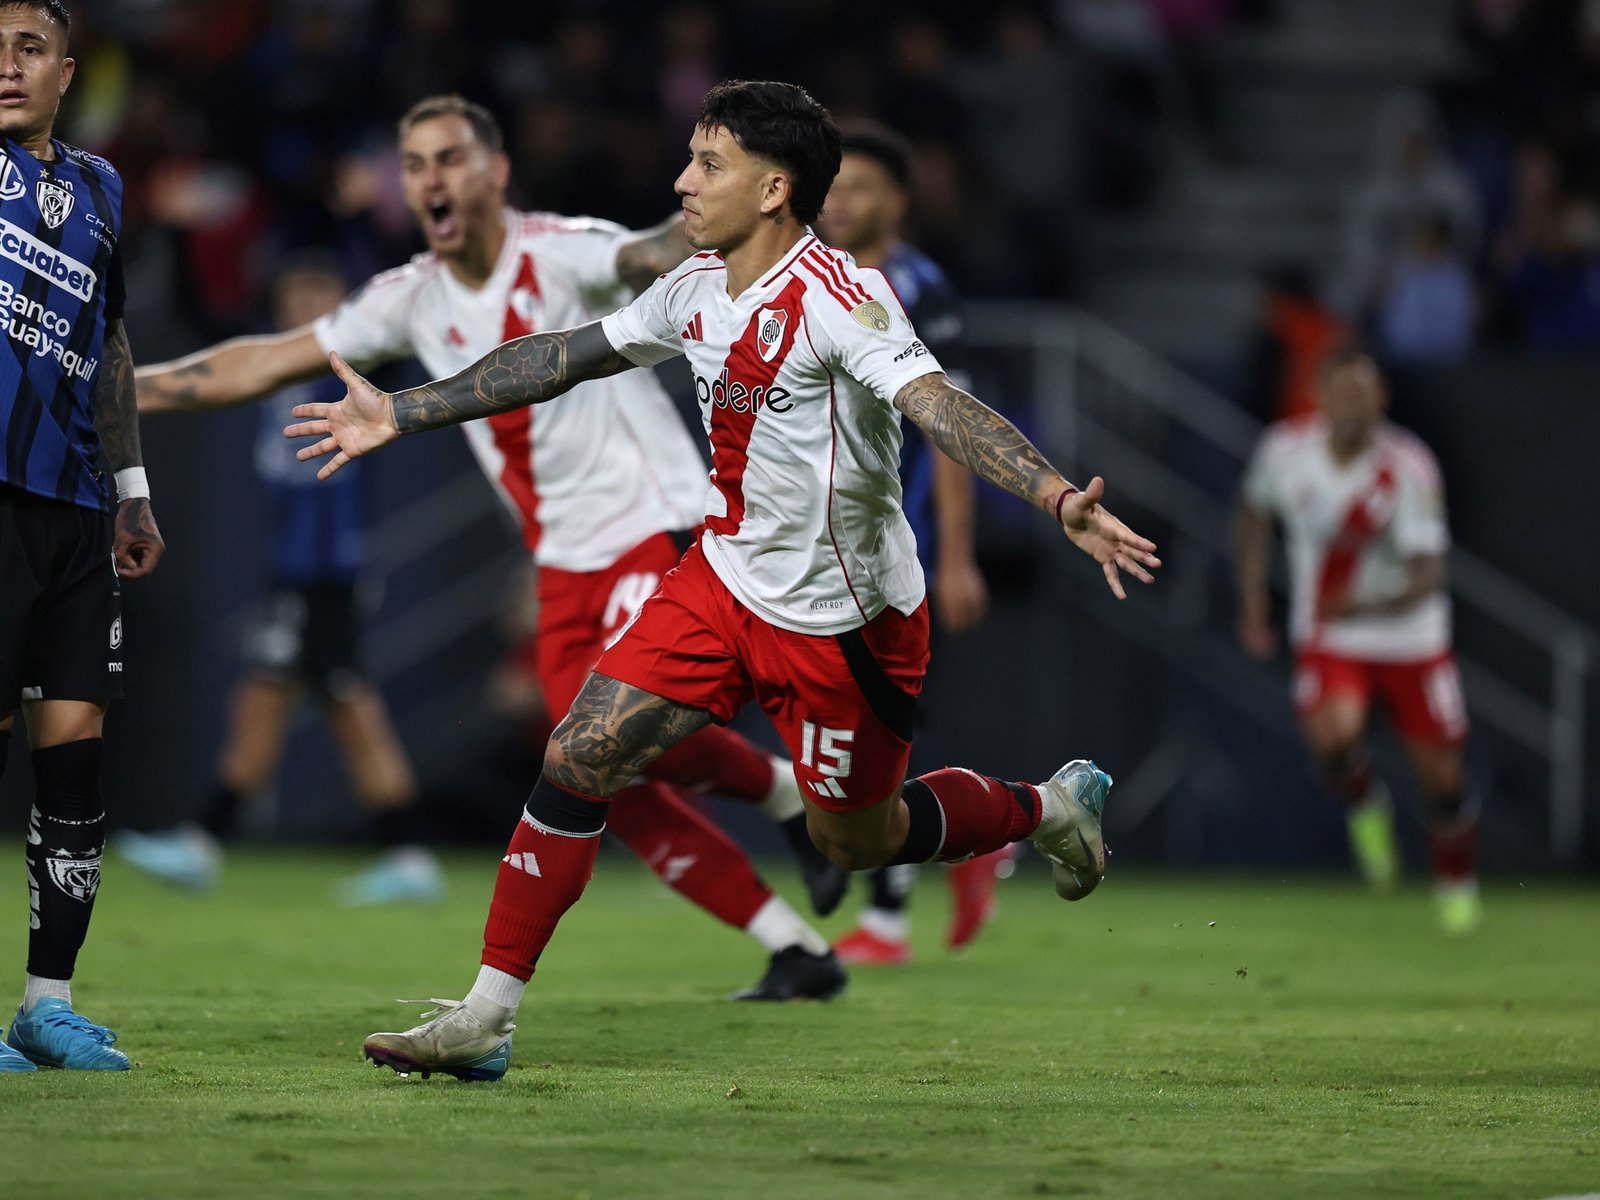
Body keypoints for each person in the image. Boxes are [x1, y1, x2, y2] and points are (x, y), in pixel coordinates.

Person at [292, 80, 1161, 1082]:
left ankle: (1044, 810)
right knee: (578, 748)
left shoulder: (844, 298)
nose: (681, 181)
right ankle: (487, 1013)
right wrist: (406, 411)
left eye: (708, 164)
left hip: (848, 623)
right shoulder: (694, 283)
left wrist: (1058, 501)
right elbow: (562, 358)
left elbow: (941, 408)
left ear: (773, 188)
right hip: (719, 582)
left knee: (860, 839)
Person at [133, 94, 846, 999]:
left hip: (651, 528)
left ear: (496, 171)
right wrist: (125, 389)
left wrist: (727, 195)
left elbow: (650, 251)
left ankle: (782, 826)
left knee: (620, 742)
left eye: (451, 158)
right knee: (600, 773)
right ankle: (792, 931)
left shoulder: (561, 248)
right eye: (416, 163)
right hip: (560, 564)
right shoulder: (409, 298)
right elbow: (261, 361)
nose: (433, 177)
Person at [119, 255, 442, 905]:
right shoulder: (274, 364)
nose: (305, 304)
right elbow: (203, 319)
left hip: (331, 569)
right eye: (295, 292)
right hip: (294, 566)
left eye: (320, 291)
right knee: (268, 699)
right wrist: (181, 240)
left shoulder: (360, 368)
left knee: (344, 707)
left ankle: (405, 852)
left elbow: (412, 333)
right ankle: (207, 841)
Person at [0, 0, 164, 1073]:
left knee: (74, 758)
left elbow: (108, 342)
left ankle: (43, 1010)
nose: (4, 67)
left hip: (73, 508)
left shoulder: (100, 187)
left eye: (24, 47)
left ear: (68, 68)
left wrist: (134, 489)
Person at [816, 121, 1007, 964]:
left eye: (859, 186)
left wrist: (956, 557)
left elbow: (950, 429)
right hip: (823, 544)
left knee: (870, 723)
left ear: (897, 198)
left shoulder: (918, 287)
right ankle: (975, 831)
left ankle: (892, 914)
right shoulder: (817, 279)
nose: (841, 201)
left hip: (899, 548)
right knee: (853, 721)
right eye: (833, 186)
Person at [1235, 345, 1480, 934]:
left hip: (1412, 638)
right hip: (1331, 632)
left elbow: (1430, 571)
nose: (1351, 407)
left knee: (1443, 783)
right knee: (1334, 739)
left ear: (1381, 400)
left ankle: (1455, 884)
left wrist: (1370, 601)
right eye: (1341, 394)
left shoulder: (1409, 466)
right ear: (1321, 396)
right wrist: (1253, 597)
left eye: (1362, 395)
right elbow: (1252, 513)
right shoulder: (1285, 451)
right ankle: (1366, 806)